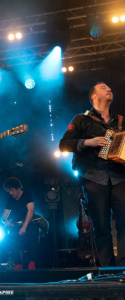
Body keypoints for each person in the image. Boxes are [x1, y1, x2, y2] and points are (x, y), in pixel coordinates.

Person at [59, 82, 125, 267]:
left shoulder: (120, 121)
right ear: (94, 97)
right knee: (101, 227)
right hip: (93, 178)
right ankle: (109, 271)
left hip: (120, 177)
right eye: (104, 88)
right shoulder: (82, 120)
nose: (109, 89)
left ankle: (123, 269)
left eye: (110, 87)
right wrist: (89, 142)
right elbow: (63, 144)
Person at [2, 177, 40, 270]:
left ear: (18, 188)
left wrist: (24, 227)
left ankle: (32, 263)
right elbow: (4, 216)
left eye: (12, 190)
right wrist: (5, 220)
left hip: (29, 222)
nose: (10, 193)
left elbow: (30, 210)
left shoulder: (27, 194)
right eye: (9, 191)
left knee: (34, 232)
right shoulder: (10, 198)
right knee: (9, 237)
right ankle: (17, 263)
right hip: (16, 224)